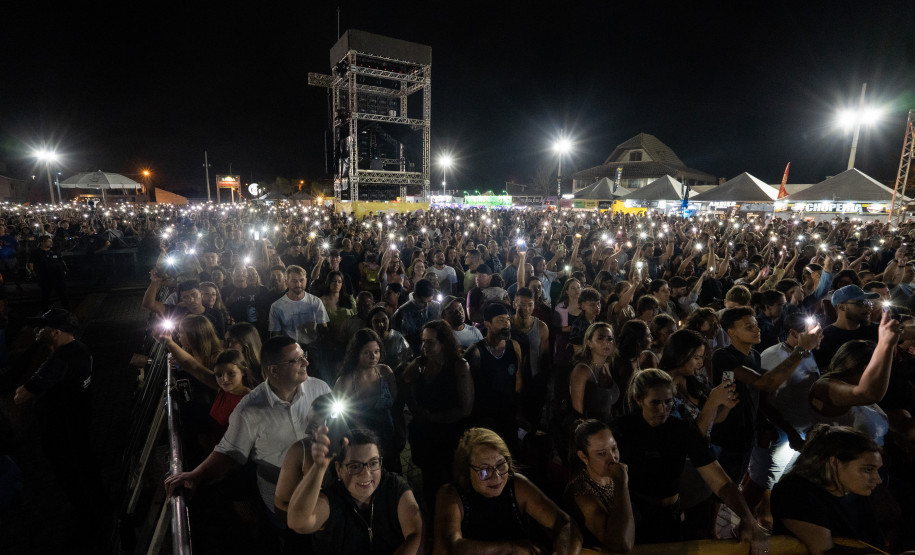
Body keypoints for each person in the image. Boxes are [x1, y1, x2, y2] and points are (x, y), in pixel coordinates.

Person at [164, 336, 331, 525]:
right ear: (274, 370)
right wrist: (196, 475)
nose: (306, 362)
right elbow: (228, 451)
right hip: (280, 495)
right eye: (296, 360)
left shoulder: (320, 388)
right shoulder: (249, 409)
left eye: (304, 356)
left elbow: (336, 424)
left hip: (320, 485)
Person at [610, 369, 768, 551]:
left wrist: (748, 519)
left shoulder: (683, 430)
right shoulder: (622, 430)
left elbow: (720, 480)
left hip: (672, 513)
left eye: (668, 402)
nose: (663, 410)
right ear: (639, 400)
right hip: (636, 514)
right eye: (655, 403)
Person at [13, 309, 108, 543]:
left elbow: (20, 396)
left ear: (55, 332)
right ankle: (100, 509)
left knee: (70, 474)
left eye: (41, 327)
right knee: (86, 468)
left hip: (60, 429)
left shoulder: (59, 360)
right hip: (79, 422)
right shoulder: (82, 349)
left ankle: (91, 524)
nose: (36, 331)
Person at [711, 306, 822, 487]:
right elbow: (765, 383)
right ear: (731, 332)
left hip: (747, 433)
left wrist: (763, 423)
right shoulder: (723, 356)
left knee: (740, 480)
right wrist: (802, 350)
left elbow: (759, 395)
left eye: (756, 325)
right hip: (727, 435)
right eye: (749, 327)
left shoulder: (754, 355)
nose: (757, 329)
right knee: (720, 489)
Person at [433, 427, 582, 554]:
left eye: (501, 465)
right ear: (466, 470)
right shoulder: (451, 494)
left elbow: (566, 524)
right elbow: (448, 548)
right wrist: (510, 548)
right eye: (485, 470)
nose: (497, 477)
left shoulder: (516, 484)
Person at [286, 428, 424, 554]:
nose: (366, 473)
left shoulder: (393, 486)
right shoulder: (331, 499)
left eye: (373, 463)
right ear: (339, 469)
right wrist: (319, 467)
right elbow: (298, 523)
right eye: (355, 466)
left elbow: (417, 534)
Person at [771, 425, 886, 553]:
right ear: (835, 463)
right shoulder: (796, 494)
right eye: (868, 469)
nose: (878, 479)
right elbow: (823, 551)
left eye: (877, 470)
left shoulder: (852, 490)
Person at [401, 320, 473, 512]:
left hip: (450, 436)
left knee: (453, 482)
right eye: (423, 342)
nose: (424, 346)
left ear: (444, 343)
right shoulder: (421, 365)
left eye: (430, 342)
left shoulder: (459, 366)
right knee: (430, 483)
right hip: (426, 437)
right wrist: (416, 411)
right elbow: (404, 383)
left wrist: (433, 418)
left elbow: (465, 409)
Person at [809, 311, 899, 446]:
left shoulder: (854, 384)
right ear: (866, 368)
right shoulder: (825, 386)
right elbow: (868, 394)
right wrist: (885, 344)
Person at [333, 329, 401, 472]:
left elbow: (396, 405)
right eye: (367, 352)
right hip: (360, 444)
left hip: (388, 438)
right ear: (356, 353)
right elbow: (337, 417)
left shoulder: (385, 372)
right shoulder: (345, 381)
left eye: (376, 351)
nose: (373, 357)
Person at [564, 419, 634, 553]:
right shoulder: (581, 492)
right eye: (602, 454)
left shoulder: (611, 478)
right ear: (583, 456)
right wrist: (621, 483)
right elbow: (621, 544)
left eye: (614, 448)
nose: (613, 459)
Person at [465, 303, 525, 453]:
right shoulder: (476, 352)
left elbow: (518, 380)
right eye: (500, 320)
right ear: (487, 324)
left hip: (509, 414)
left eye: (507, 320)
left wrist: (517, 410)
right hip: (486, 418)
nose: (506, 325)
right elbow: (469, 391)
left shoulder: (514, 346)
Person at [814, 285, 879, 369]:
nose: (868, 308)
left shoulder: (874, 330)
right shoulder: (824, 337)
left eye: (869, 303)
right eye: (861, 303)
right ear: (841, 307)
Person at [569, 322, 620, 422]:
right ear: (589, 343)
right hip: (591, 431)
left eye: (610, 339)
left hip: (609, 426)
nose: (606, 342)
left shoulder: (608, 366)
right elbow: (578, 415)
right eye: (600, 338)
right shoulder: (582, 371)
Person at [391, 279, 441, 353]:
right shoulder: (401, 313)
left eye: (430, 301)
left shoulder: (437, 307)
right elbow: (397, 340)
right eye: (422, 302)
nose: (426, 306)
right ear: (414, 296)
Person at [27, 235, 69, 311]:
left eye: (51, 241)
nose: (51, 243)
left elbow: (61, 260)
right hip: (45, 277)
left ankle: (67, 309)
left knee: (62, 293)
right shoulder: (36, 252)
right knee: (45, 295)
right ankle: (45, 311)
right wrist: (32, 271)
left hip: (57, 276)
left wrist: (65, 269)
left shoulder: (55, 250)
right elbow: (30, 263)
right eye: (49, 241)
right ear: (42, 242)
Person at [367, 306, 412, 370]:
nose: (381, 324)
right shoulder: (368, 340)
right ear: (371, 323)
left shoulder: (397, 337)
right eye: (376, 321)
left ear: (389, 319)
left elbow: (407, 359)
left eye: (384, 320)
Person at [225, 322, 263, 386]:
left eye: (230, 341)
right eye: (226, 341)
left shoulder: (264, 371)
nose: (226, 346)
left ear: (245, 342)